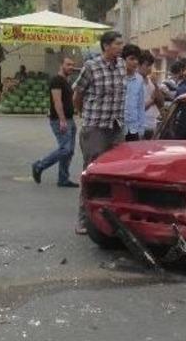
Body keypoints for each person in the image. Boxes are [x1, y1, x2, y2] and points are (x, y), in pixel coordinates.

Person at [73, 31, 126, 234]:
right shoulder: (91, 67)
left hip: (116, 127)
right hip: (95, 127)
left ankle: (110, 220)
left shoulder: (121, 66)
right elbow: (78, 94)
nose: (121, 47)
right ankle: (84, 220)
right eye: (117, 44)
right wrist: (83, 115)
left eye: (121, 44)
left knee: (114, 174)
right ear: (105, 46)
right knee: (91, 173)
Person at [32, 57, 78, 188]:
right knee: (65, 149)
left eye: (72, 65)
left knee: (69, 151)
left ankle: (63, 179)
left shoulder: (66, 81)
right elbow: (57, 101)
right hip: (60, 120)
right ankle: (39, 165)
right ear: (61, 65)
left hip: (70, 119)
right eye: (68, 64)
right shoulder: (56, 80)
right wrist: (62, 120)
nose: (71, 67)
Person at [122, 44, 146, 142]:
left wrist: (141, 129)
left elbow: (140, 105)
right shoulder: (117, 77)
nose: (135, 62)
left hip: (133, 129)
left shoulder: (139, 79)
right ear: (123, 60)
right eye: (131, 59)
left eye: (137, 59)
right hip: (118, 129)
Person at [139, 51, 164, 140]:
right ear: (139, 65)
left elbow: (161, 103)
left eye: (151, 65)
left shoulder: (151, 81)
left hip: (153, 125)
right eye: (147, 65)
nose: (150, 68)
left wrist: (156, 85)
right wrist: (152, 100)